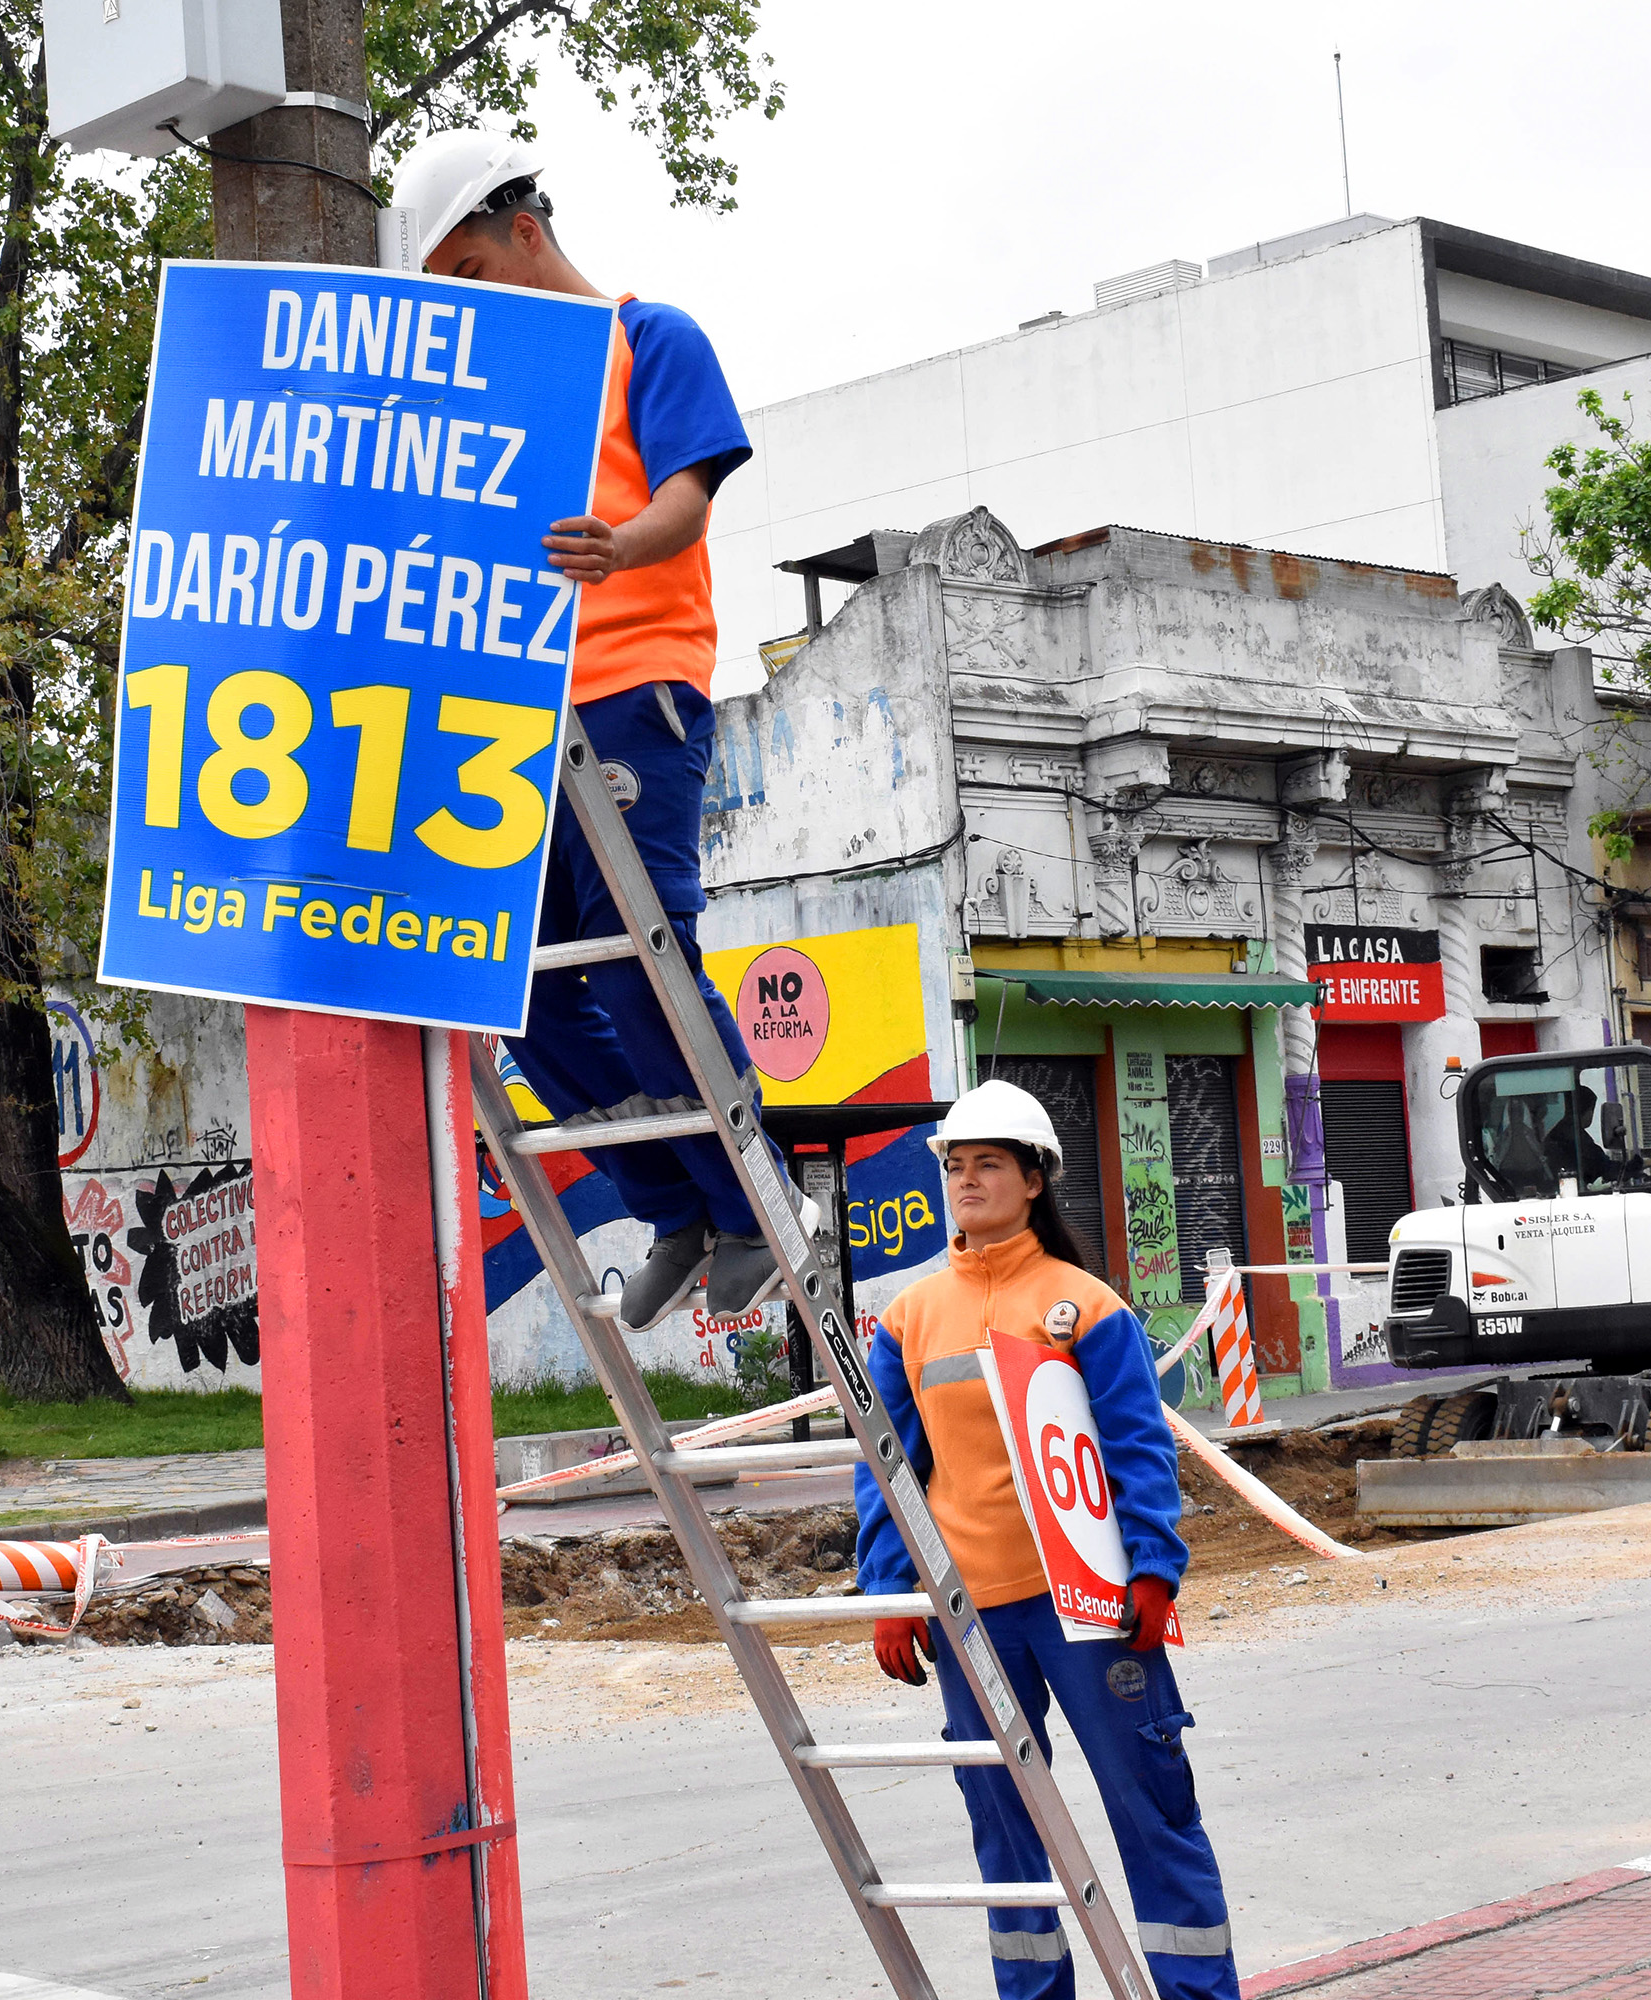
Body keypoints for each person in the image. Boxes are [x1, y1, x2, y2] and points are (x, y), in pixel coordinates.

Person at [406, 130, 804, 1328]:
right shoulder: (488, 395)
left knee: (641, 961)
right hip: (513, 709)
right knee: (515, 983)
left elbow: (686, 493)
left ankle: (751, 1201)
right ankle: (671, 1204)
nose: (467, 308)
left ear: (526, 233)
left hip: (636, 686)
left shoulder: (648, 336)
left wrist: (619, 546)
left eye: (470, 276)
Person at [854, 1080, 1240, 2000]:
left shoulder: (1086, 1305)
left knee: (1150, 1811)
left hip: (1089, 1610)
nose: (968, 1180)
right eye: (956, 1165)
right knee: (1005, 1827)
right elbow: (887, 1469)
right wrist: (888, 1590)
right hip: (969, 1617)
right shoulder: (907, 1318)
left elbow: (1137, 1445)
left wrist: (1152, 1567)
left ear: (1034, 1180)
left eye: (989, 1163)